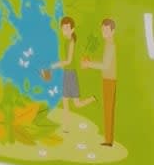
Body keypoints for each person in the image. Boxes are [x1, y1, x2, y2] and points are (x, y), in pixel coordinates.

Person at [82, 18, 118, 146]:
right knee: (107, 110)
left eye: (106, 30)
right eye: (102, 29)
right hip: (106, 79)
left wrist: (89, 64)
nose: (104, 32)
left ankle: (108, 140)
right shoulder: (108, 45)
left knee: (108, 110)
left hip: (110, 80)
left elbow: (105, 65)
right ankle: (108, 139)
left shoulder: (111, 46)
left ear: (113, 31)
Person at [50, 17, 95, 112]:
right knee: (65, 101)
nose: (64, 30)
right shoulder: (67, 41)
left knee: (77, 104)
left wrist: (56, 65)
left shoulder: (71, 42)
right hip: (67, 73)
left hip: (70, 74)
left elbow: (69, 61)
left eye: (67, 28)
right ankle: (66, 125)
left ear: (72, 29)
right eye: (63, 28)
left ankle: (92, 99)